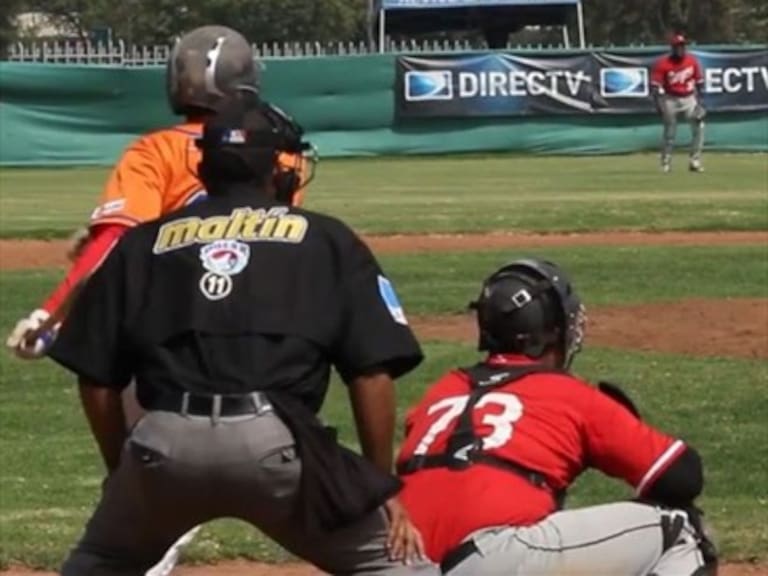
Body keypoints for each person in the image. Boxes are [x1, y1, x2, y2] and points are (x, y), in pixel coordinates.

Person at [45, 91, 439, 576]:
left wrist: (121, 469)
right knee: (400, 568)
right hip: (276, 447)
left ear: (203, 169)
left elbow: (96, 377)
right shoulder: (327, 238)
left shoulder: (143, 243)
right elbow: (371, 374)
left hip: (164, 446)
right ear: (279, 168)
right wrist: (381, 491)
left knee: (101, 563)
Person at [395, 258, 718, 575]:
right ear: (549, 330)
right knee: (685, 529)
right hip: (498, 557)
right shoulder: (567, 393)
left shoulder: (443, 389)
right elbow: (681, 477)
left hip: (404, 563)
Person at [6, 24, 308, 360]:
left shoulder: (155, 151)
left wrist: (49, 318)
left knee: (108, 367)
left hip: (171, 328)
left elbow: (114, 242)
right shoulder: (285, 156)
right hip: (260, 328)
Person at [651, 33, 706, 173]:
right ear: (672, 48)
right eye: (678, 46)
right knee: (669, 132)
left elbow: (700, 83)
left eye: (682, 46)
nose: (681, 49)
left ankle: (695, 161)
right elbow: (655, 87)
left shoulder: (692, 61)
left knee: (699, 128)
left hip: (689, 98)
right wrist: (658, 104)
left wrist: (701, 103)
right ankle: (666, 162)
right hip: (670, 99)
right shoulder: (663, 63)